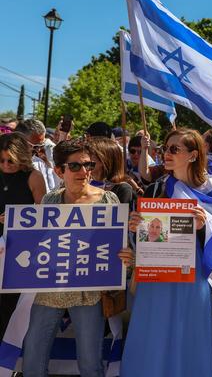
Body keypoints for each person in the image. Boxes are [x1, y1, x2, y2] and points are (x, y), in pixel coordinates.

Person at [121, 128, 212, 377]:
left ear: (193, 155)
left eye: (174, 149)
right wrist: (134, 228)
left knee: (188, 333)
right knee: (152, 334)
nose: (166, 153)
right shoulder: (155, 190)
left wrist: (202, 226)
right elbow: (142, 240)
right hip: (156, 276)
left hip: (193, 276)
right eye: (165, 148)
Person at [21, 139, 129, 377]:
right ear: (59, 170)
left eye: (89, 165)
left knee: (91, 364)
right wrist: (14, 236)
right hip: (49, 290)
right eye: (75, 167)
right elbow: (39, 241)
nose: (84, 172)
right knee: (32, 361)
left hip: (88, 293)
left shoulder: (108, 200)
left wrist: (126, 255)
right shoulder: (50, 199)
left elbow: (118, 247)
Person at [0, 133, 46, 340]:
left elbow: (43, 215)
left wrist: (17, 220)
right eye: (1, 160)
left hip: (19, 251)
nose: (6, 165)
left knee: (10, 308)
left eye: (11, 160)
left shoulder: (34, 177)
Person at [88, 137, 135, 207]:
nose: (85, 159)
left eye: (90, 156)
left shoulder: (123, 189)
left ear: (104, 160)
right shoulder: (83, 185)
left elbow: (122, 216)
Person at [14, 119, 57, 192]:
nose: (38, 150)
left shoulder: (39, 164)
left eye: (41, 146)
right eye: (34, 146)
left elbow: (46, 197)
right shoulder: (4, 163)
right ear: (18, 140)